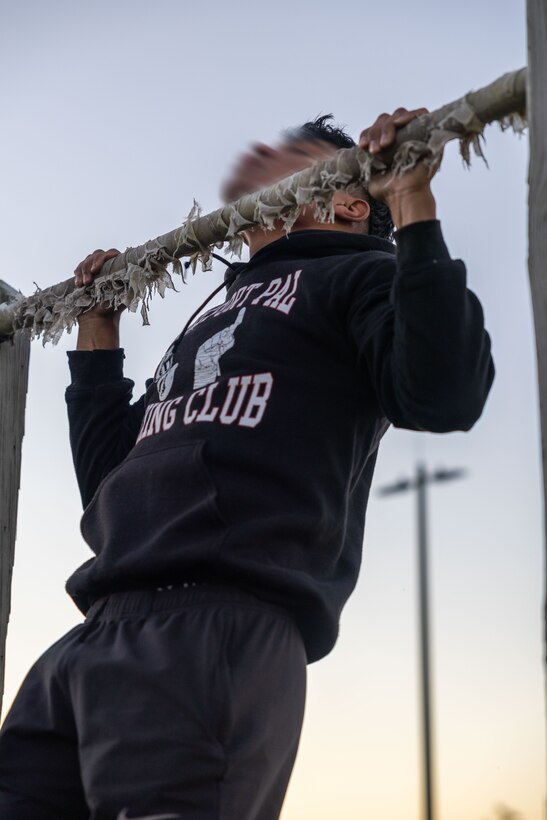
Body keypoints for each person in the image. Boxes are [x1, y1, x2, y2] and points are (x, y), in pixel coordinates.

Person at [0, 108, 494, 820]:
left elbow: (444, 393)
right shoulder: (219, 305)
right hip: (96, 628)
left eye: (288, 157)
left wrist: (411, 201)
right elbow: (111, 489)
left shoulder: (358, 277)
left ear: (349, 199)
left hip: (216, 629)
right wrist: (98, 334)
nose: (256, 157)